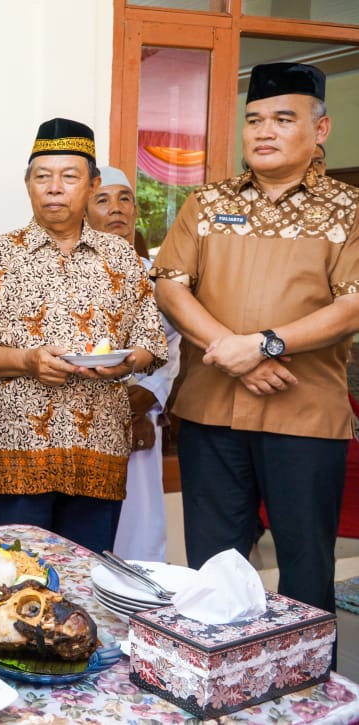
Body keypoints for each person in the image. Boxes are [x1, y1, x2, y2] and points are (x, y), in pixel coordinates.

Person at [151, 62, 359, 618]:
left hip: (304, 419)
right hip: (210, 413)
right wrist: (238, 353)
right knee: (214, 570)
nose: (264, 131)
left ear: (320, 130)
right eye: (254, 119)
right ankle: (219, 692)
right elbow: (170, 287)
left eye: (283, 118)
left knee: (305, 569)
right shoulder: (207, 203)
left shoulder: (349, 209)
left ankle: (305, 696)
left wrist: (265, 343)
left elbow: (352, 304)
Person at [0, 118, 167, 554]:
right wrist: (27, 361)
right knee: (16, 579)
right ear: (27, 184)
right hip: (15, 448)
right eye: (42, 176)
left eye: (69, 176)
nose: (54, 188)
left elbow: (151, 338)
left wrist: (127, 362)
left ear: (92, 184)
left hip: (100, 446)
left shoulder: (120, 257)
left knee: (88, 579)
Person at [86, 166, 181, 562]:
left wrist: (148, 395)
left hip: (138, 418)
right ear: (84, 210)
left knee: (137, 528)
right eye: (103, 200)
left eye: (124, 199)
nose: (116, 209)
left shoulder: (155, 280)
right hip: (82, 417)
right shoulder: (70, 273)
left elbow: (174, 342)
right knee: (85, 529)